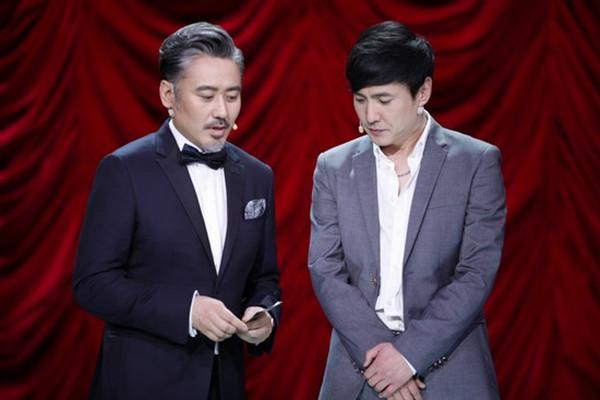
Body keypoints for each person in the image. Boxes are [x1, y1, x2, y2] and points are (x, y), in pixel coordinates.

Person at [73, 22, 281, 400]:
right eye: (207, 95)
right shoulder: (124, 170)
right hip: (143, 385)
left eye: (232, 95)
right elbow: (93, 284)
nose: (222, 111)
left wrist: (265, 315)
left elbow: (265, 279)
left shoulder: (257, 176)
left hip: (226, 384)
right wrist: (187, 311)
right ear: (168, 94)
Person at [309, 21, 506, 400]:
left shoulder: (475, 162)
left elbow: (476, 272)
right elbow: (326, 269)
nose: (370, 115)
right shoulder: (333, 167)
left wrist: (408, 357)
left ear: (423, 92)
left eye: (384, 100)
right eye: (360, 99)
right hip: (359, 368)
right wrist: (380, 356)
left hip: (449, 367)